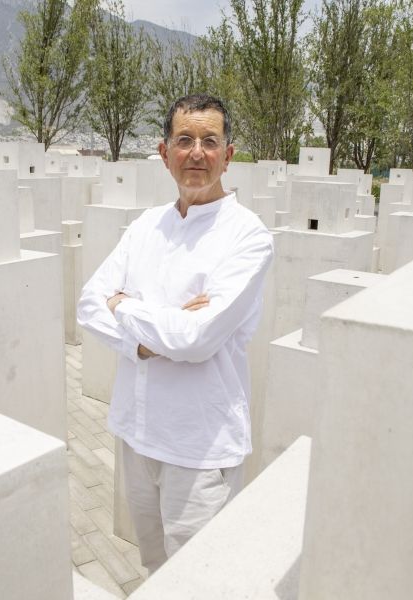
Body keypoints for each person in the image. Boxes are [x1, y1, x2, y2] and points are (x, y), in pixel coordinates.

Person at [76, 94, 274, 573]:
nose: (197, 153)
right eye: (184, 140)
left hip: (198, 447)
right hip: (137, 434)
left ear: (229, 155)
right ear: (165, 153)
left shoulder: (248, 236)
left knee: (200, 579)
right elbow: (88, 302)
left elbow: (197, 339)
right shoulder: (146, 226)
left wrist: (124, 304)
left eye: (210, 141)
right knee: (155, 567)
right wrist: (146, 338)